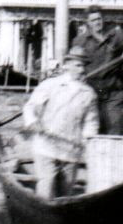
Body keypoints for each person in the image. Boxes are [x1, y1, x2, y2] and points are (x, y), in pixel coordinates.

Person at [20, 47, 100, 200]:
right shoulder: (51, 85)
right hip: (46, 145)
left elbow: (91, 122)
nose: (82, 70)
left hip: (71, 149)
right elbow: (30, 107)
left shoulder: (89, 93)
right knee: (46, 188)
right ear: (67, 65)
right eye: (78, 65)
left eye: (84, 66)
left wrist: (87, 140)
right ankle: (42, 217)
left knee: (66, 193)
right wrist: (34, 122)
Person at [70, 7, 123, 135]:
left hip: (114, 91)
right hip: (92, 92)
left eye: (99, 19)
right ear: (87, 23)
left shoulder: (116, 34)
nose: (97, 22)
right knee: (93, 130)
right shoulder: (79, 41)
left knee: (115, 129)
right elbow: (74, 63)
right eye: (93, 20)